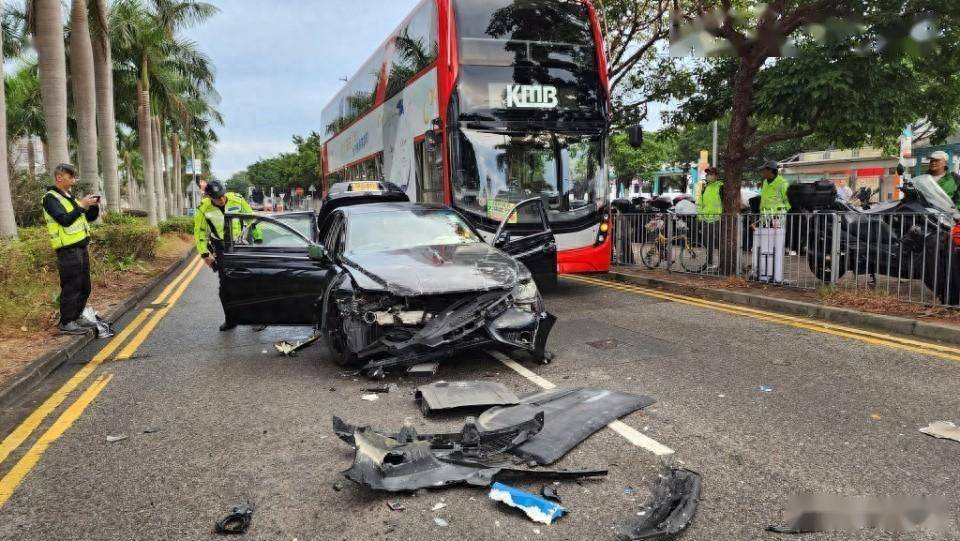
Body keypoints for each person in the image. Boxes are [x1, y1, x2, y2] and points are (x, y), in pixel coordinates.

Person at [193, 180, 261, 331]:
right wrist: (205, 255)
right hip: (222, 248)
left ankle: (255, 318)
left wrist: (258, 240)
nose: (222, 199)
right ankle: (231, 319)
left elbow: (251, 220)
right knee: (226, 286)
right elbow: (200, 234)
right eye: (217, 198)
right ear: (209, 197)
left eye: (222, 196)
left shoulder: (237, 199)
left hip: (242, 244)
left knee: (249, 281)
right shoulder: (203, 209)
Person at [42, 163, 101, 335]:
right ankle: (66, 322)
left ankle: (77, 316)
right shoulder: (50, 198)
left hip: (81, 248)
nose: (74, 181)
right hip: (67, 250)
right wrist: (81, 205)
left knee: (85, 286)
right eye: (71, 177)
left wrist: (93, 205)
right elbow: (64, 220)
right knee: (72, 286)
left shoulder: (70, 197)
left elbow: (88, 218)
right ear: (59, 177)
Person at [696, 167, 723, 267]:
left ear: (716, 175)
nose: (708, 176)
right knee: (707, 242)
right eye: (707, 174)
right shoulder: (703, 187)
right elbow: (699, 203)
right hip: (705, 219)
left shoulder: (720, 186)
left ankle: (722, 263)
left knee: (719, 241)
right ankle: (709, 262)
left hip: (717, 218)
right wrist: (700, 217)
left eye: (711, 174)